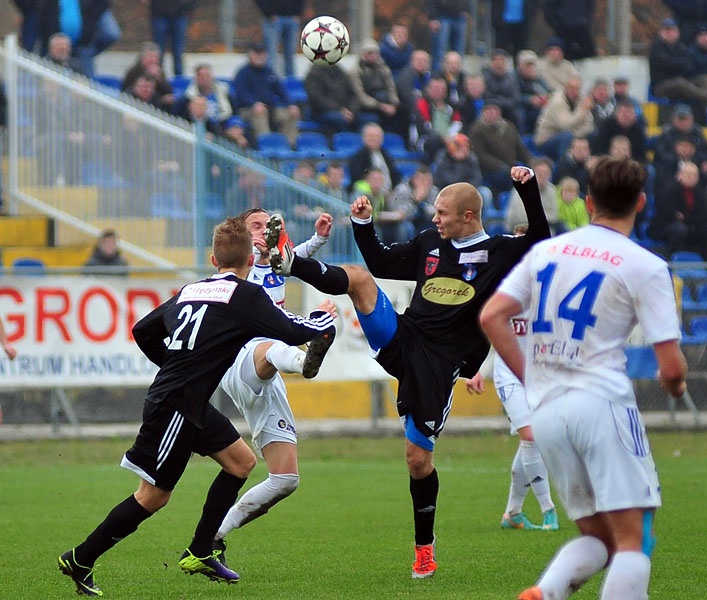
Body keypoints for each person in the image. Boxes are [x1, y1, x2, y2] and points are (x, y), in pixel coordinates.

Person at [263, 165, 551, 579]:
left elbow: (540, 241)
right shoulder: (430, 242)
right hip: (404, 337)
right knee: (360, 280)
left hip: (439, 365)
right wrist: (363, 226)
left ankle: (424, 549)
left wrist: (526, 190)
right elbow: (379, 262)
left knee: (417, 460)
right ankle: (290, 263)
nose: (435, 218)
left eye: (443, 212)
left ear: (469, 216)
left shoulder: (500, 252)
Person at [57, 217, 337, 597]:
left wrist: (173, 365)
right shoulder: (245, 295)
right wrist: (323, 321)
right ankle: (81, 557)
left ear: (213, 258)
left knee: (241, 462)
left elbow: (142, 330)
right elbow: (292, 330)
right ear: (250, 261)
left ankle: (201, 550)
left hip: (186, 400)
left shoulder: (192, 289)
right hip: (174, 406)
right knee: (153, 496)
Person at [480, 155, 687, 600]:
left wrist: (531, 377)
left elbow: (493, 316)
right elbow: (671, 368)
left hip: (550, 412)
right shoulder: (645, 265)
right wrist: (677, 386)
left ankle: (546, 592)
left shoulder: (545, 252)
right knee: (633, 542)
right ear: (642, 203)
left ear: (589, 202)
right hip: (601, 403)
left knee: (598, 538)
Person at [213, 209, 336, 563]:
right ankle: (305, 361)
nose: (265, 231)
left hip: (267, 374)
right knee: (275, 345)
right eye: (256, 225)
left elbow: (295, 257)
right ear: (240, 238)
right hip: (242, 359)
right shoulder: (233, 273)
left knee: (285, 479)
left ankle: (214, 534)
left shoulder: (277, 262)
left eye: (269, 226)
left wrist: (320, 238)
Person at [466, 314, 559, 532]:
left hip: (541, 374)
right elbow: (486, 324)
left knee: (533, 441)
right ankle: (548, 510)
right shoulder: (506, 287)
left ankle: (513, 513)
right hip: (508, 374)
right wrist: (475, 367)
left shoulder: (549, 288)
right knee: (530, 437)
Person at [232, 43, 300, 147]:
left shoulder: (269, 72)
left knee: (290, 114)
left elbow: (281, 90)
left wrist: (291, 104)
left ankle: (290, 145)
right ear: (250, 55)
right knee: (259, 113)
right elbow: (242, 94)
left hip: (270, 108)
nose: (259, 57)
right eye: (256, 54)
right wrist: (254, 103)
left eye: (262, 54)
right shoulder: (243, 73)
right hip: (247, 110)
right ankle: (266, 144)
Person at [649, 19, 707, 121]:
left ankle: (705, 103)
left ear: (677, 32)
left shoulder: (681, 46)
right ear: (661, 32)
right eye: (666, 30)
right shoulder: (656, 47)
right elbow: (666, 64)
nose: (669, 33)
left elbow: (689, 65)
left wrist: (677, 64)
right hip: (661, 86)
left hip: (683, 82)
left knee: (703, 79)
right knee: (679, 82)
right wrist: (679, 64)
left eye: (672, 30)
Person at [253, 0, 308, 79]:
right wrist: (268, 13)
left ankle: (290, 82)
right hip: (272, 20)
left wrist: (298, 13)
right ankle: (269, 80)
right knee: (270, 54)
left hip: (292, 18)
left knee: (290, 54)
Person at [145, 0, 195, 77]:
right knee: (158, 51)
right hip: (159, 13)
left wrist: (189, 6)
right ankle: (157, 79)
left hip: (180, 13)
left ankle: (179, 79)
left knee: (178, 51)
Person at [427, 0, 468, 72]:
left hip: (460, 16)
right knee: (439, 51)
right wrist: (432, 17)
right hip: (441, 15)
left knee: (459, 52)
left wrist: (465, 8)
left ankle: (457, 80)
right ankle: (437, 78)